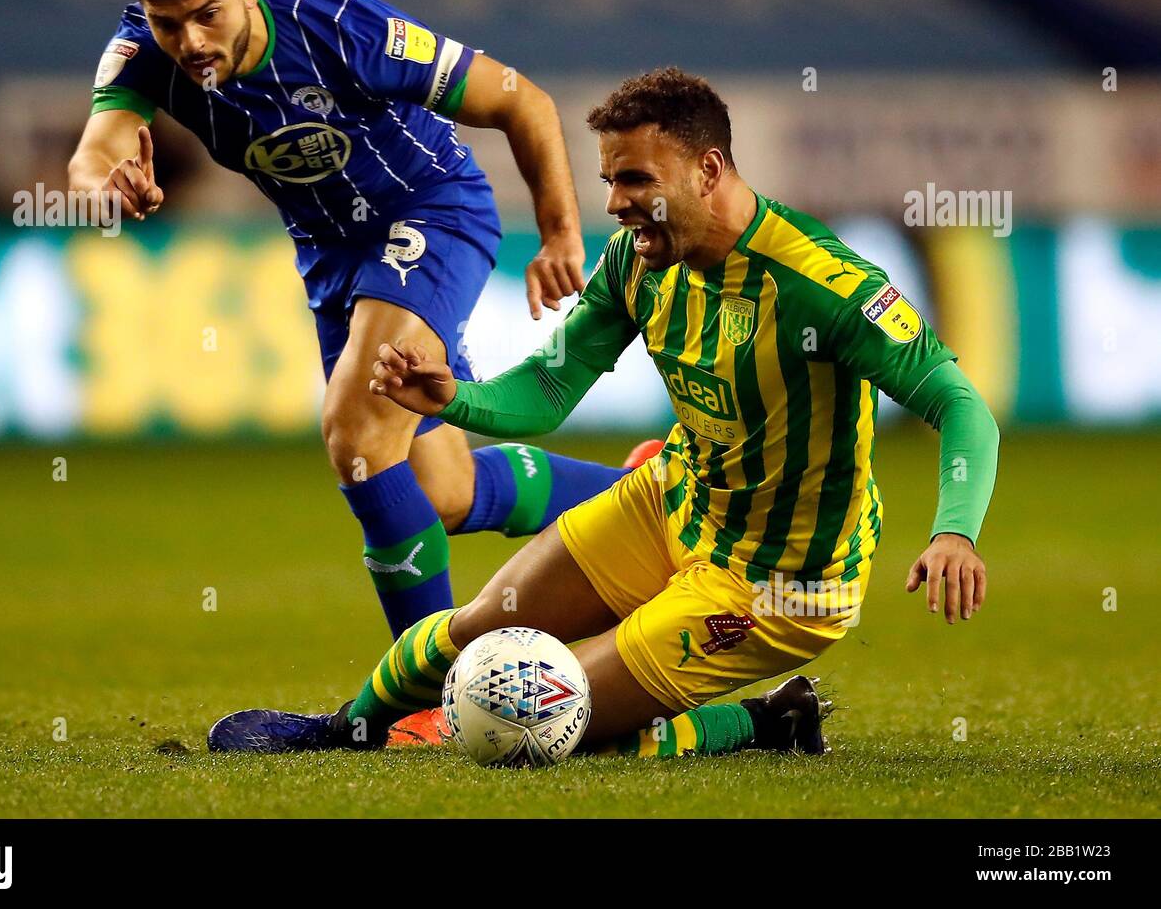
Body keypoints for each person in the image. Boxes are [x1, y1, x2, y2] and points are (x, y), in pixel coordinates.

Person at [208, 67, 999, 758]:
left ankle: (762, 722)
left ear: (708, 169)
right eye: (610, 181)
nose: (615, 204)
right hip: (672, 502)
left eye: (634, 182)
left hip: (777, 583)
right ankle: (349, 727)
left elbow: (959, 404)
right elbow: (550, 387)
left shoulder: (822, 285)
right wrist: (457, 399)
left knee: (543, 720)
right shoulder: (638, 262)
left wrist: (955, 529)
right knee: (474, 627)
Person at [67, 0, 651, 638]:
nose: (189, 41)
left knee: (357, 436)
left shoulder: (340, 25)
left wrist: (561, 232)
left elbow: (518, 99)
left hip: (431, 213)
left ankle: (427, 696)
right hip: (331, 256)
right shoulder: (141, 49)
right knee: (444, 491)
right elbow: (96, 150)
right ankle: (649, 497)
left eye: (206, 14)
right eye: (167, 22)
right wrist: (107, 186)